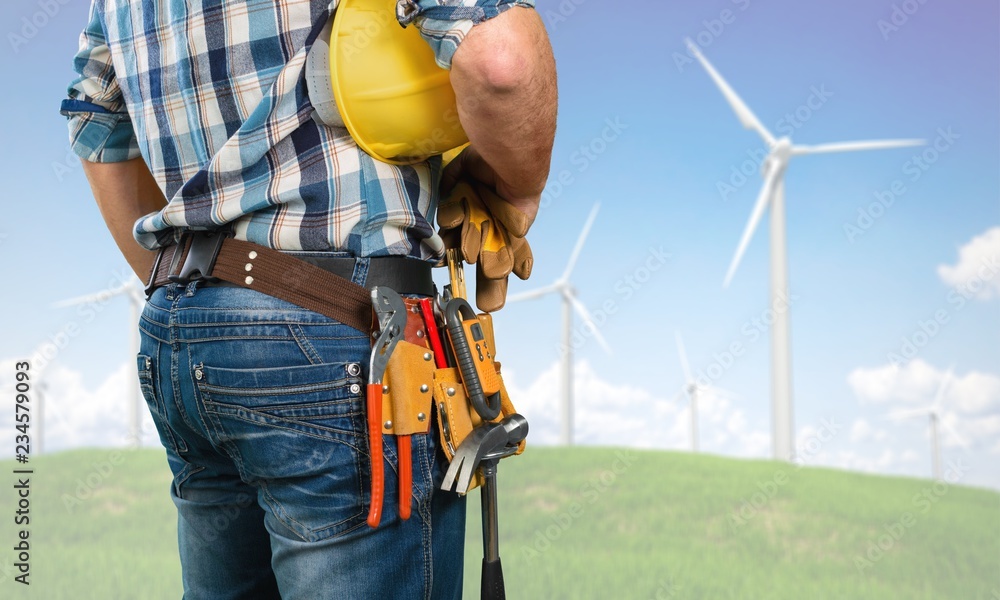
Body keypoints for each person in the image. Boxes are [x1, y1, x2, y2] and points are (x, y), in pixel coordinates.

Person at [61, 0, 556, 597]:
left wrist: (209, 286)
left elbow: (95, 117)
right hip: (339, 338)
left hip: (179, 330)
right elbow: (502, 63)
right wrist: (514, 190)